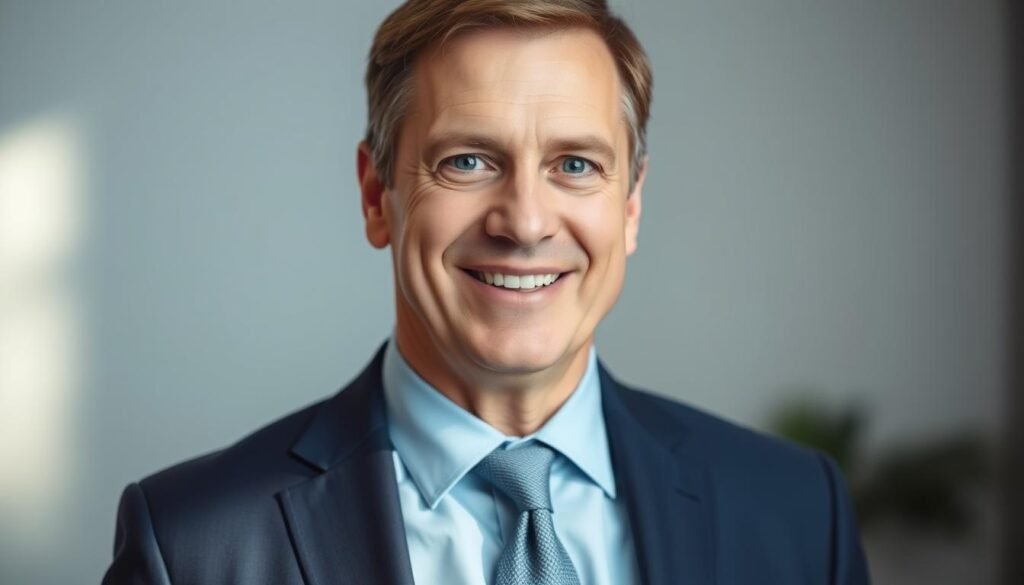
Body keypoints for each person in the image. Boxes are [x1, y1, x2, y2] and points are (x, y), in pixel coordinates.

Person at [102, 1, 870, 584]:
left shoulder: (797, 514)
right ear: (377, 197)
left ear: (630, 206)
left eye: (575, 165)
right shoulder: (193, 543)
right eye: (468, 161)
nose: (525, 222)